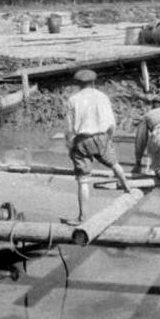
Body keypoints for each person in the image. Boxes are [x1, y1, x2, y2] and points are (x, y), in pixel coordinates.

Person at [65, 69, 129, 224]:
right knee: (114, 164)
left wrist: (70, 146)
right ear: (93, 82)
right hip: (101, 137)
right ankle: (127, 187)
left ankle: (82, 217)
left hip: (82, 140)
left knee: (83, 180)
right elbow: (111, 123)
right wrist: (108, 139)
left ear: (78, 84)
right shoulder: (102, 97)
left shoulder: (73, 100)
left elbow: (69, 129)